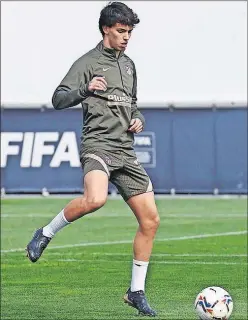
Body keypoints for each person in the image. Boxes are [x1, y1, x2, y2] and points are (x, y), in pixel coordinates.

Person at [26, 1, 160, 317]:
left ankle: (135, 292)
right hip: (97, 146)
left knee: (151, 220)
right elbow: (58, 98)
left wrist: (137, 118)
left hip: (125, 152)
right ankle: (45, 233)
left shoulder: (129, 65)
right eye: (121, 31)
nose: (127, 37)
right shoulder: (87, 62)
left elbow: (133, 102)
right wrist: (85, 89)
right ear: (106, 29)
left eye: (129, 32)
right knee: (95, 199)